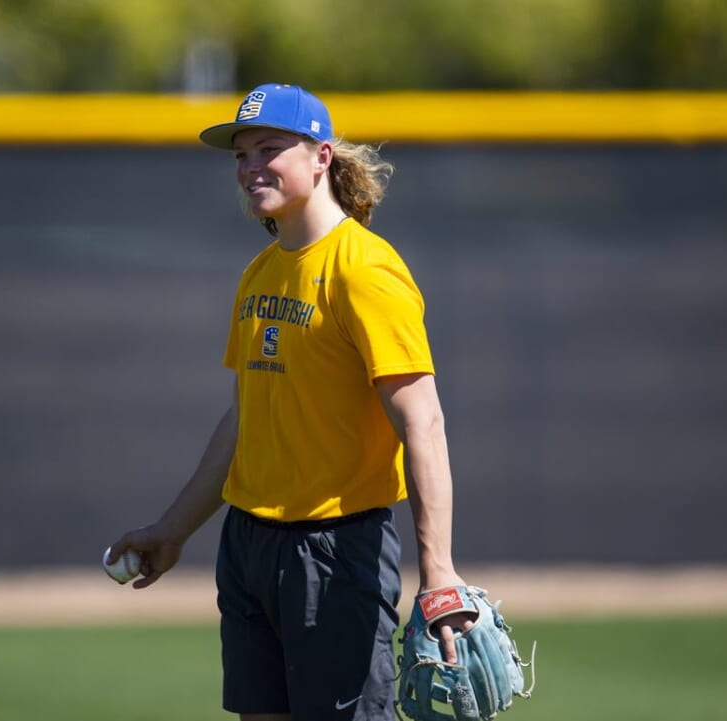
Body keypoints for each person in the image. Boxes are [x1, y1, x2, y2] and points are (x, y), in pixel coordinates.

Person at [107, 82, 473, 721]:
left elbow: (424, 421)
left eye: (269, 149)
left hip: (333, 553)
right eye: (241, 155)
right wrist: (174, 530)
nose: (250, 168)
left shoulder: (364, 271)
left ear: (321, 157)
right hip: (247, 546)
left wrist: (436, 571)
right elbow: (245, 416)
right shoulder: (262, 271)